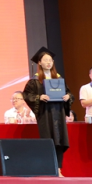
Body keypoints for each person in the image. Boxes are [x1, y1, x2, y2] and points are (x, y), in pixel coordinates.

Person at [22, 48, 72, 176]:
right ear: (39, 62)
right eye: (45, 60)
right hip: (45, 114)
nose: (49, 62)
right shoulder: (35, 80)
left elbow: (69, 93)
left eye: (50, 60)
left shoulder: (58, 78)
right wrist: (39, 97)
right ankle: (50, 169)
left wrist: (68, 97)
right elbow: (27, 95)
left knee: (60, 141)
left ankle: (58, 169)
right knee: (48, 141)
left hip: (59, 113)